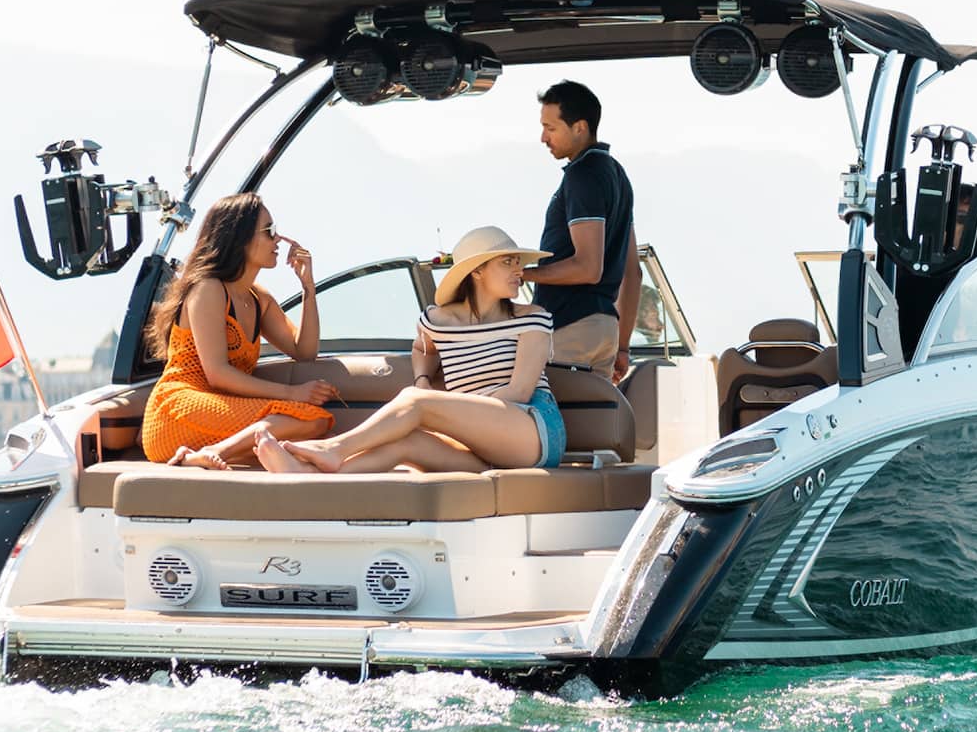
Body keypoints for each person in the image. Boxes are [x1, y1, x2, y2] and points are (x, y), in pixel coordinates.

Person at [253, 227, 566, 475]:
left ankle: (332, 448)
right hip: (479, 444)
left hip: (533, 431)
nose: (519, 270)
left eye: (518, 262)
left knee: (416, 403)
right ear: (477, 271)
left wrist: (436, 405)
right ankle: (309, 473)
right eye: (507, 261)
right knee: (405, 442)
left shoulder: (533, 318)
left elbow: (520, 392)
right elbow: (423, 349)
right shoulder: (437, 321)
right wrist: (422, 379)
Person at [140, 193, 339, 469]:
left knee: (317, 420)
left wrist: (308, 287)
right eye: (269, 231)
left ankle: (207, 454)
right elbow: (218, 374)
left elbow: (304, 351)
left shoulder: (260, 299)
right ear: (240, 238)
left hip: (219, 410)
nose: (278, 240)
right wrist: (291, 393)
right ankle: (215, 452)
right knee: (306, 417)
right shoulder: (209, 289)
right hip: (176, 409)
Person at [528, 80, 640, 383]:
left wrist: (522, 274)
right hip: (602, 329)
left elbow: (588, 268)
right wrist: (623, 345)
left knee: (555, 427)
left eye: (550, 128)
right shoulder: (616, 174)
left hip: (571, 327)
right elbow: (633, 272)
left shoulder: (582, 175)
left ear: (579, 127)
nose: (542, 137)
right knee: (591, 426)